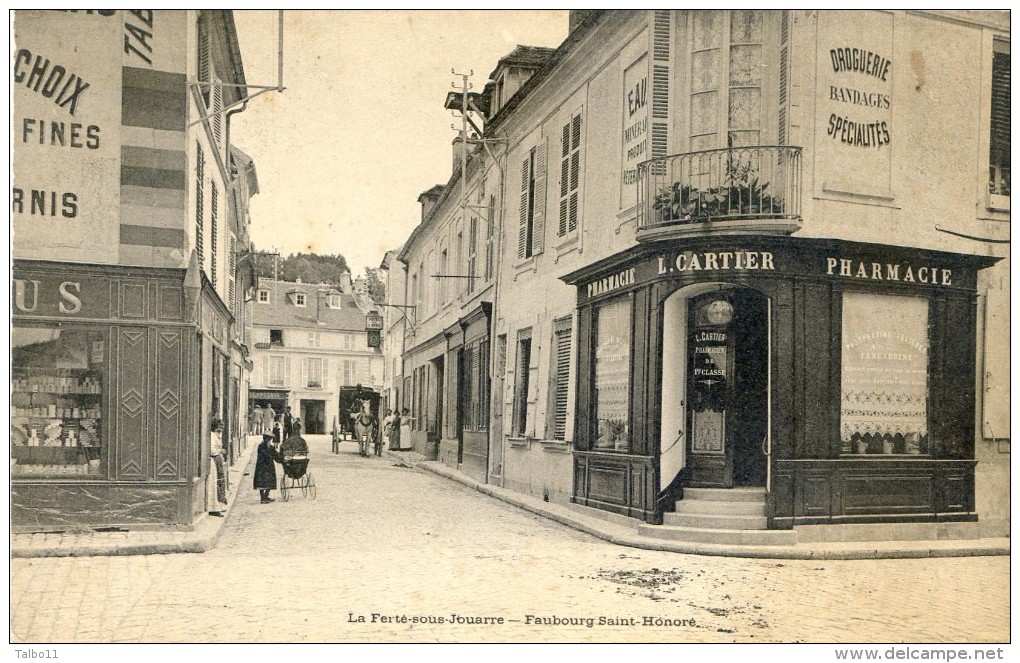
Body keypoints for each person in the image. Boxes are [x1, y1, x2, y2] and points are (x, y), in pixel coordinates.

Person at [254, 433, 284, 504]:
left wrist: (282, 459)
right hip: (262, 466)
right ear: (265, 439)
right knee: (261, 482)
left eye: (270, 439)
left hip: (269, 466)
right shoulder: (261, 446)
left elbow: (276, 455)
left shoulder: (270, 447)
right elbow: (266, 455)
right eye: (268, 439)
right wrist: (272, 456)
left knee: (270, 481)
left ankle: (266, 496)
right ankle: (262, 498)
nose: (269, 440)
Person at [208, 418, 228, 517]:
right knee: (215, 484)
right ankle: (213, 508)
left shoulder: (216, 436)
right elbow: (211, 450)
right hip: (213, 462)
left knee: (219, 482)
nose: (221, 429)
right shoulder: (211, 436)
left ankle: (218, 506)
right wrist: (220, 451)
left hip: (217, 461)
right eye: (219, 427)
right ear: (215, 427)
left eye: (222, 427)